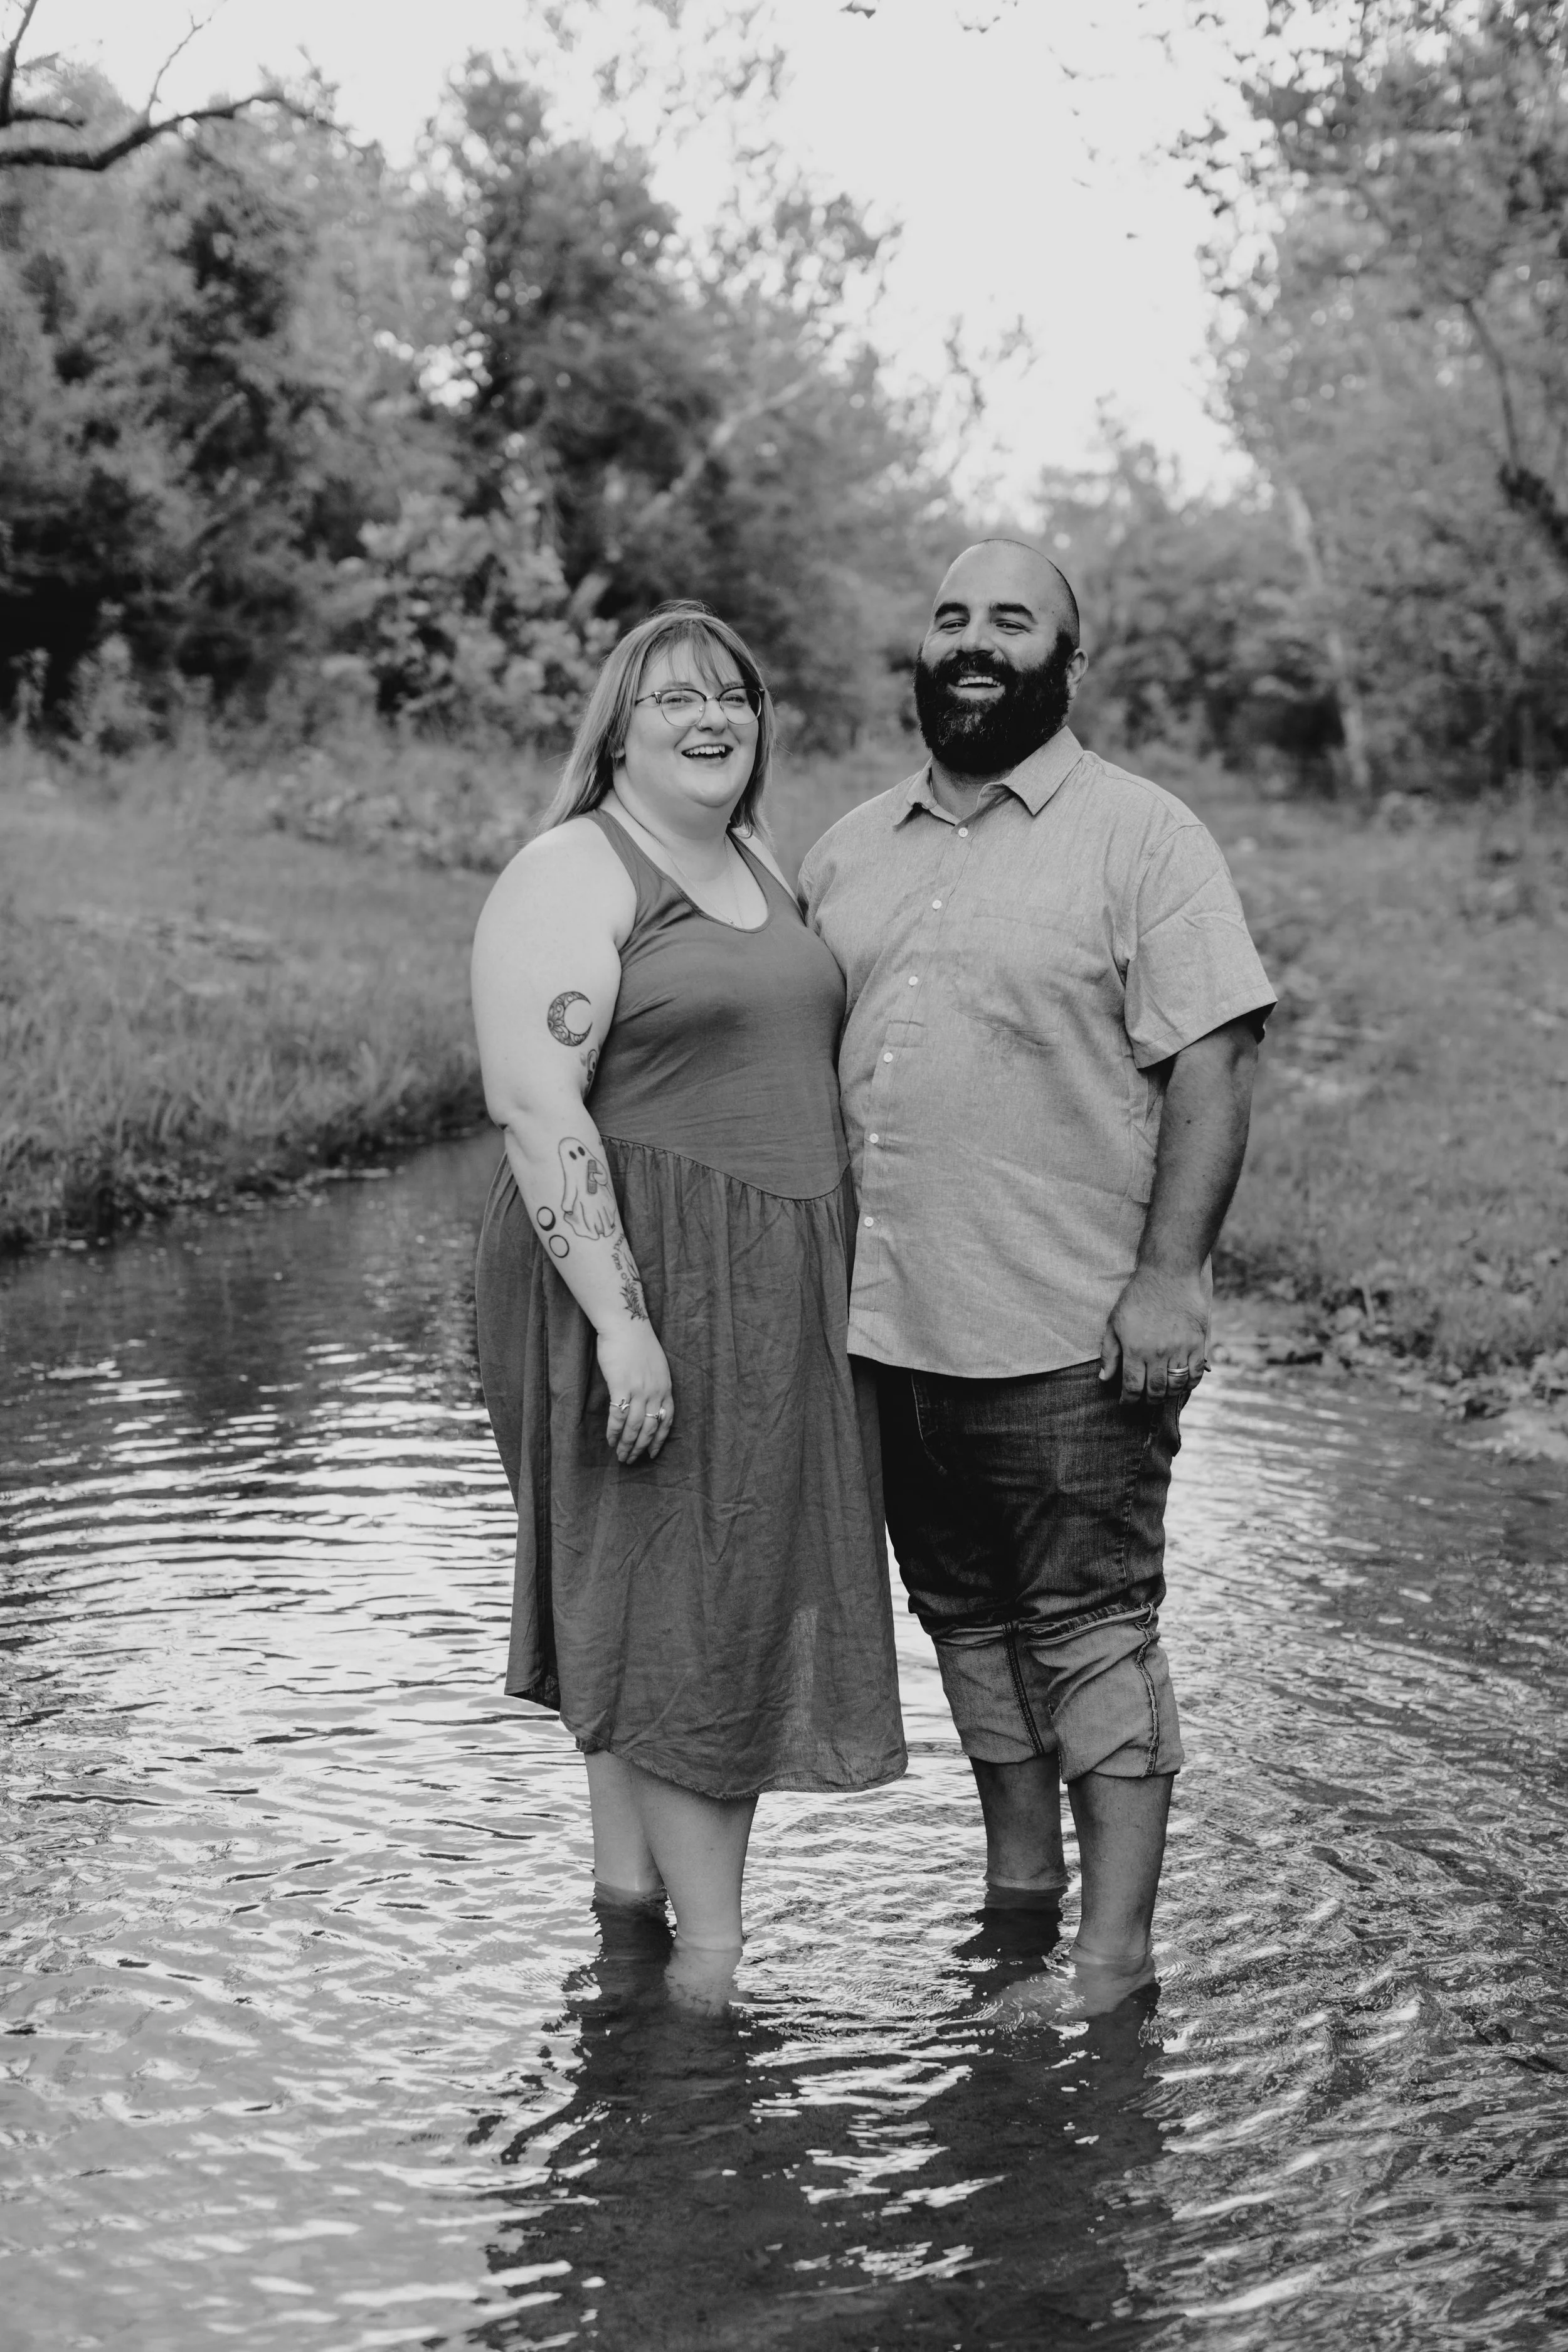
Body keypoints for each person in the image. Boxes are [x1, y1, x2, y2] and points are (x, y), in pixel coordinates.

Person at [798, 540, 1274, 2016]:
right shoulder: (846, 848)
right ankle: (1019, 1901)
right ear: (920, 653)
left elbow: (1215, 1054)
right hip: (882, 1334)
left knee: (1086, 1630)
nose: (973, 641)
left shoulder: (1141, 838)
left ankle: (1112, 1964)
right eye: (949, 615)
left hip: (1064, 1328)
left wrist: (1169, 1281)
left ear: (1069, 659)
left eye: (1012, 618)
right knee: (964, 1623)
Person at [471, 601, 906, 2005]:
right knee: (692, 1606)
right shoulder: (574, 866)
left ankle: (627, 1935)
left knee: (673, 1591)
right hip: (642, 1280)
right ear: (618, 724)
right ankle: (709, 1981)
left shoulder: (758, 863)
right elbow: (536, 1105)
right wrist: (621, 1321)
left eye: (733, 694)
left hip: (769, 1284)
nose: (712, 718)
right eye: (674, 699)